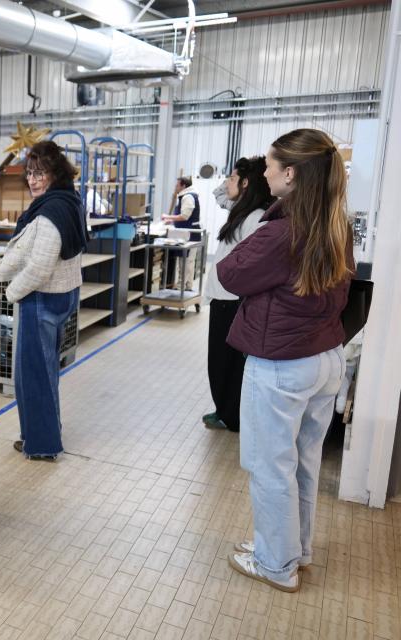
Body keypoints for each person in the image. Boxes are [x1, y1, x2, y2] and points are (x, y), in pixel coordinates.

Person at [218, 128, 353, 592]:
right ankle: (294, 550)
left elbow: (229, 273)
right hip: (324, 357)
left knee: (270, 466)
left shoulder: (280, 231)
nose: (265, 172)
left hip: (282, 365)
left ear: (290, 174)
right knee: (301, 464)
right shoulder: (335, 222)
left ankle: (276, 565)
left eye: (271, 165)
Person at [0, 141, 86, 460]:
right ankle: (43, 431)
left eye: (41, 173)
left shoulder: (49, 213)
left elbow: (38, 268)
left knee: (33, 375)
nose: (33, 180)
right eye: (30, 174)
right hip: (64, 295)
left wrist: (10, 292)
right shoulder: (70, 201)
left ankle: (42, 444)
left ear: (55, 174)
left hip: (42, 300)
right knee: (45, 372)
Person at [201, 156, 276, 432]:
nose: (227, 183)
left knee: (227, 364)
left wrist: (244, 176)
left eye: (233, 178)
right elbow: (219, 193)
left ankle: (231, 415)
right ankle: (226, 410)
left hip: (233, 301)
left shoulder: (255, 218)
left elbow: (253, 266)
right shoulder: (241, 209)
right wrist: (239, 177)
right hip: (224, 298)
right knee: (220, 362)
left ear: (245, 184)